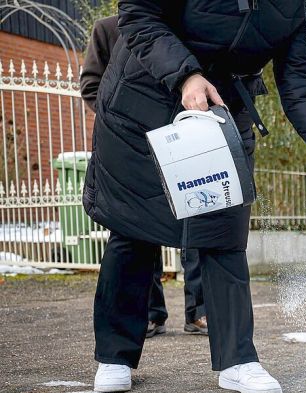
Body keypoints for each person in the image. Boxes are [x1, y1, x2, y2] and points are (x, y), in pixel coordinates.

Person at [83, 1, 306, 393]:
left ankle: (237, 361)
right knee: (135, 229)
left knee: (224, 231)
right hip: (140, 101)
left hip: (222, 109)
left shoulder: (303, 6)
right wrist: (186, 75)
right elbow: (138, 14)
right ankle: (115, 355)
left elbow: (302, 84)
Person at [80, 14, 209, 341]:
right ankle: (151, 314)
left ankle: (200, 311)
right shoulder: (108, 29)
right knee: (137, 230)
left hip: (183, 141)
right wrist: (123, 121)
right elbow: (92, 85)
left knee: (196, 220)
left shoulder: (185, 24)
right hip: (133, 145)